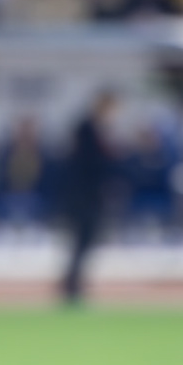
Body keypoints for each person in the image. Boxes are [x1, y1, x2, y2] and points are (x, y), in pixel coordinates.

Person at [60, 90, 116, 304]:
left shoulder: (96, 129)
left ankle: (74, 282)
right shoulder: (86, 129)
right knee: (81, 241)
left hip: (91, 196)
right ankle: (72, 285)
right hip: (83, 196)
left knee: (85, 242)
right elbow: (86, 164)